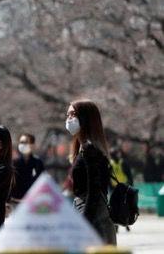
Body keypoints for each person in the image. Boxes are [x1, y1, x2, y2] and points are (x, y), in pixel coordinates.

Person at [66, 99, 116, 245]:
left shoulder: (90, 150)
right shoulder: (83, 148)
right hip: (89, 212)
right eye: (68, 115)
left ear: (86, 118)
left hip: (92, 215)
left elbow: (94, 191)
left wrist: (84, 223)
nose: (69, 119)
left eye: (73, 114)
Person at [11, 133, 44, 200]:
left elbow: (41, 182)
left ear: (32, 145)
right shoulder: (14, 162)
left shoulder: (38, 163)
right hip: (15, 200)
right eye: (21, 142)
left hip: (32, 201)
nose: (22, 145)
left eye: (25, 142)